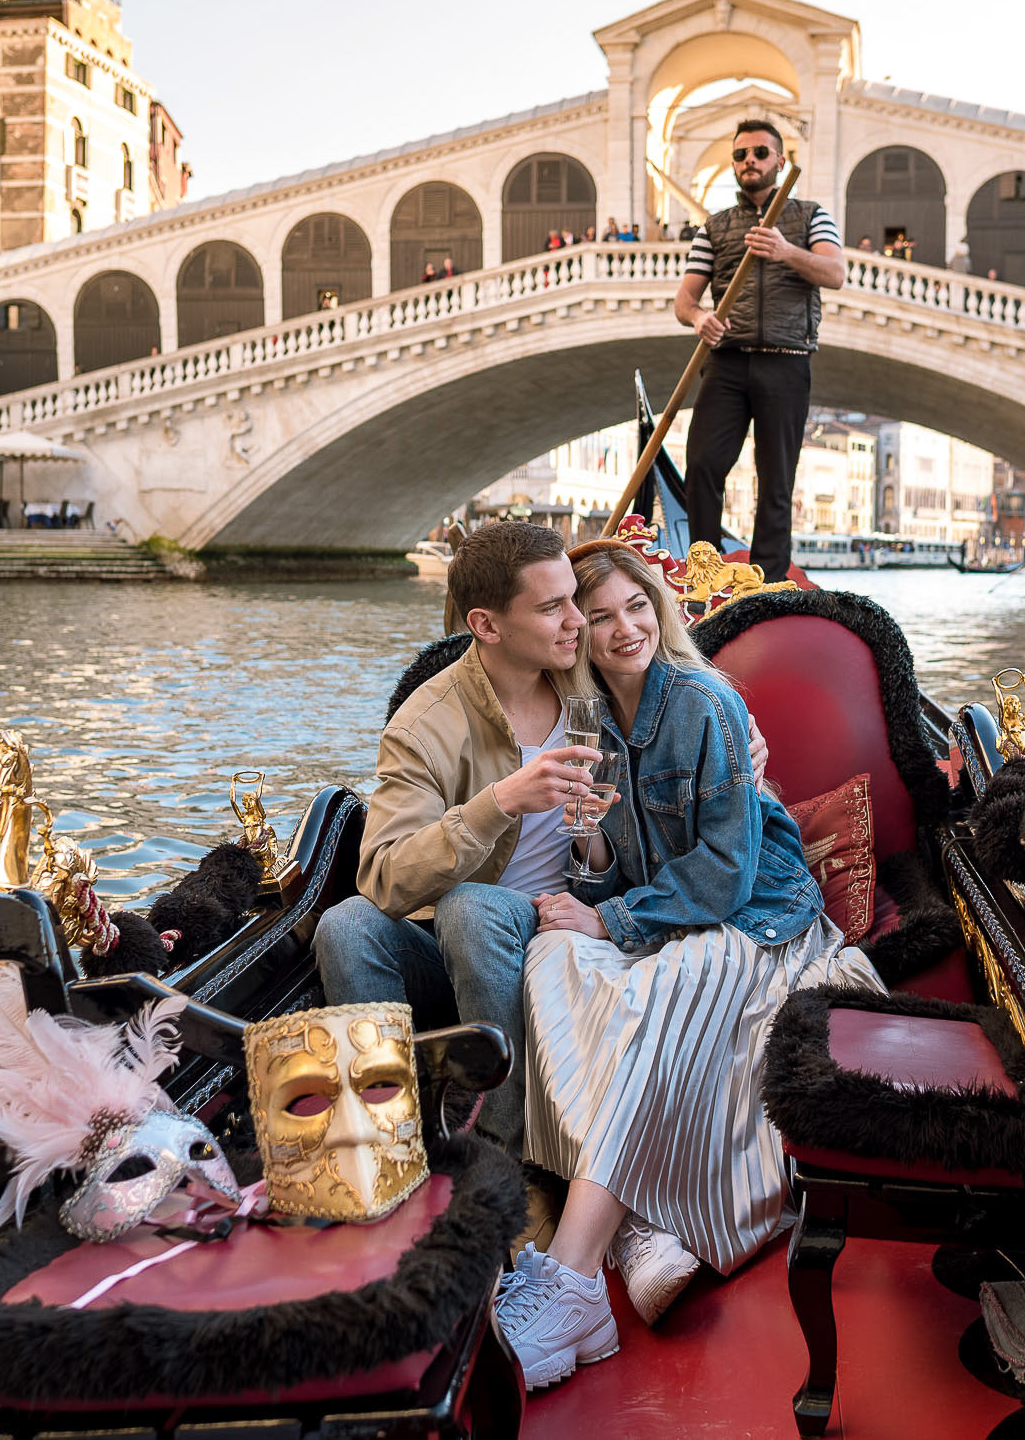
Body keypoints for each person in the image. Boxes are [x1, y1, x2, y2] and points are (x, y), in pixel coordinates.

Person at [494, 538, 881, 1389]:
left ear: (658, 611)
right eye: (599, 617)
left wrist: (613, 917)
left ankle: (569, 1279)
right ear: (578, 635)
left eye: (637, 606)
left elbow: (725, 873)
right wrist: (590, 842)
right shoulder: (590, 724)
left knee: (663, 982)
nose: (624, 627)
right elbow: (612, 871)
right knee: (551, 955)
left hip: (762, 918)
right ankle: (637, 1232)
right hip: (673, 919)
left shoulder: (703, 703)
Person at [313, 522, 603, 1149]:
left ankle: (497, 1144)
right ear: (487, 625)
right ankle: (386, 1138)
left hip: (579, 927)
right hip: (467, 942)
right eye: (552, 607)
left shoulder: (596, 677)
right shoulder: (425, 724)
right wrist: (497, 803)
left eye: (574, 598)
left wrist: (745, 737)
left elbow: (683, 690)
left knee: (470, 909)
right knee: (346, 925)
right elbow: (384, 878)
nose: (577, 620)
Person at [673, 118, 846, 576]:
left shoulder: (811, 216)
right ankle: (704, 571)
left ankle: (768, 578)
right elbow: (684, 300)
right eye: (740, 154)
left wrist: (786, 250)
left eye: (760, 153)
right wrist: (699, 318)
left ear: (780, 161)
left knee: (776, 480)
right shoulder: (715, 227)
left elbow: (835, 274)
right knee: (703, 465)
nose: (749, 160)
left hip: (787, 362)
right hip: (726, 361)